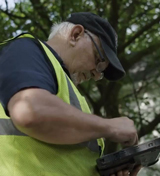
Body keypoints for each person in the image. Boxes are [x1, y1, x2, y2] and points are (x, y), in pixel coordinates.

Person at [0, 12, 140, 176]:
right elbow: (30, 110)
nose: (96, 75)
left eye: (101, 72)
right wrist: (112, 127)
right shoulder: (26, 49)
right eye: (98, 59)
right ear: (75, 35)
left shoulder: (72, 97)